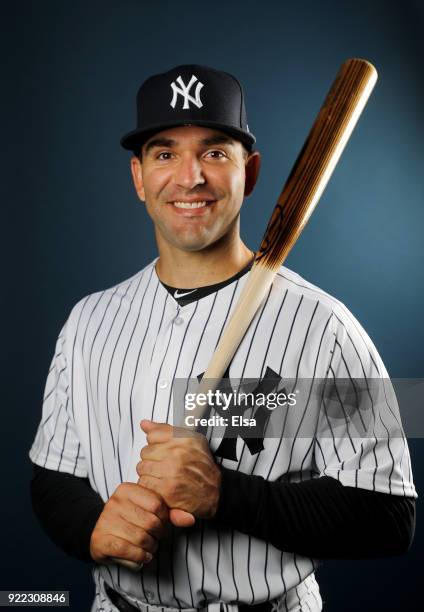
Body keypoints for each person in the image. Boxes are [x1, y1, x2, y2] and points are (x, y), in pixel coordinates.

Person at [30, 64, 417, 612]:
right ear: (139, 177)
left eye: (214, 152)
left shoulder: (322, 328)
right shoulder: (89, 322)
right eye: (165, 154)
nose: (189, 178)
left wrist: (226, 495)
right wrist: (92, 528)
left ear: (250, 173)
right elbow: (53, 476)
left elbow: (389, 517)